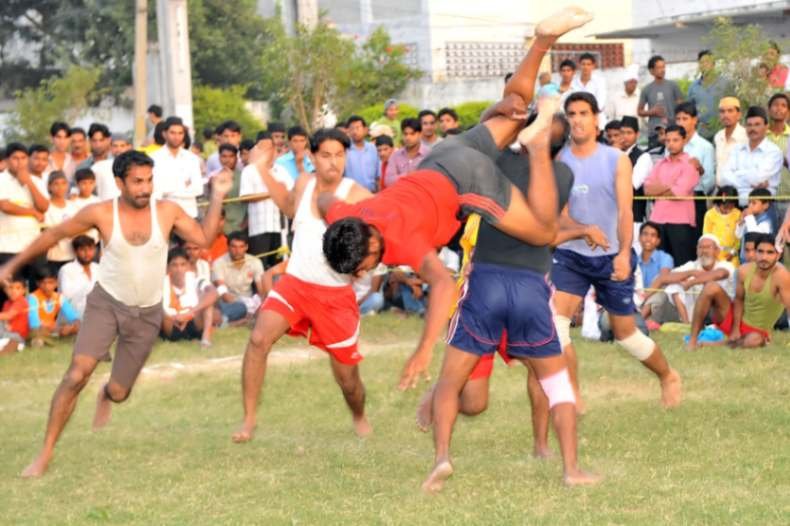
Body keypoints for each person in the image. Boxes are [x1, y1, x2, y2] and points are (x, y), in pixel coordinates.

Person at [322, 7, 596, 391]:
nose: (365, 270)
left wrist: (421, 353)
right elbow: (324, 203)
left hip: (466, 181)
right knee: (515, 106)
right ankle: (543, 39)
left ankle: (535, 146)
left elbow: (444, 286)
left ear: (369, 245)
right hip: (444, 155)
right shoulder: (350, 214)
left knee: (542, 230)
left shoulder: (400, 242)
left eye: (364, 264)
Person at [0, 149, 232, 478]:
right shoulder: (101, 213)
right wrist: (10, 265)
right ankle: (45, 453)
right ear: (120, 182)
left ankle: (106, 394)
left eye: (149, 181)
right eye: (137, 182)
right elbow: (53, 235)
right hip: (106, 305)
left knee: (120, 393)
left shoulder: (166, 212)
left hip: (147, 313)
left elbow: (205, 238)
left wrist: (219, 194)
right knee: (77, 374)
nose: (145, 188)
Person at [416, 109, 601, 493]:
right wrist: (580, 230)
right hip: (531, 286)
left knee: (451, 382)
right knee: (557, 383)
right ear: (561, 145)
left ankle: (442, 458)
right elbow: (547, 231)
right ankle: (571, 469)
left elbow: (487, 127)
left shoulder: (494, 160)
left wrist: (509, 115)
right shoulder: (562, 175)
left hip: (485, 280)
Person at [232, 127, 374, 443]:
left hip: (335, 296)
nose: (333, 162)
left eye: (340, 155)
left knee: (348, 380)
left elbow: (382, 235)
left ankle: (359, 415)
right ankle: (249, 420)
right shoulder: (304, 183)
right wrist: (261, 170)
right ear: (311, 157)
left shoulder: (357, 195)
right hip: (295, 284)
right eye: (326, 155)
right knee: (258, 339)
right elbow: (288, 206)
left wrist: (366, 263)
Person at [551, 91, 682, 412]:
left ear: (596, 118)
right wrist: (581, 230)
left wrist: (624, 254)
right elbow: (561, 213)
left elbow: (626, 212)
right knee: (556, 325)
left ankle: (667, 375)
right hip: (570, 255)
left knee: (625, 334)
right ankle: (573, 396)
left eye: (583, 113)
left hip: (612, 255)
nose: (577, 119)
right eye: (572, 114)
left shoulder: (616, 159)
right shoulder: (560, 160)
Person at [687, 234, 790, 349]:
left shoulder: (782, 276)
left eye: (770, 252)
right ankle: (692, 341)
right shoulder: (743, 271)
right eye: (760, 251)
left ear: (778, 255)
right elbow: (739, 299)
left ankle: (717, 345)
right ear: (755, 252)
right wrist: (735, 329)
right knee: (711, 287)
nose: (764, 257)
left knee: (754, 340)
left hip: (757, 332)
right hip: (735, 321)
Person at [641, 234, 734, 325]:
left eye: (708, 247)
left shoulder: (725, 265)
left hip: (719, 310)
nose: (704, 251)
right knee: (671, 284)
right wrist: (691, 273)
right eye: (700, 248)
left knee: (711, 288)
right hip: (693, 312)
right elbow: (663, 277)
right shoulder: (692, 265)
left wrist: (691, 282)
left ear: (717, 251)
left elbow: (720, 274)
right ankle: (642, 320)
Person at [643, 124, 700, 265]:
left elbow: (679, 193)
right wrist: (670, 185)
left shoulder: (691, 164)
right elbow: (647, 189)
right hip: (658, 221)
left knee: (682, 266)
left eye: (675, 140)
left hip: (681, 222)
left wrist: (661, 188)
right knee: (660, 266)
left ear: (684, 140)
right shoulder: (660, 164)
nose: (671, 144)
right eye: (668, 140)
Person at [0, 143, 49, 300]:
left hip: (33, 245)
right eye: (15, 158)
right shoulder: (1, 179)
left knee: (37, 289)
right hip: (7, 246)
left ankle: (36, 323)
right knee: (9, 292)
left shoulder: (36, 180)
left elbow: (44, 206)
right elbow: (5, 205)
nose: (19, 162)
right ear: (7, 161)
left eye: (23, 158)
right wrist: (32, 212)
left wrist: (29, 182)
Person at [240, 132, 292, 269]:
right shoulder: (249, 171)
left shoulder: (281, 171)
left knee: (281, 267)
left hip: (280, 228)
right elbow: (245, 197)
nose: (266, 152)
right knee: (259, 267)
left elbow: (291, 194)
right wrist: (272, 192)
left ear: (274, 150)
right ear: (256, 150)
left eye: (269, 148)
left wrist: (278, 192)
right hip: (259, 228)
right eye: (261, 148)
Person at [720, 106, 784, 207]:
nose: (752, 129)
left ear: (766, 126)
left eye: (757, 125)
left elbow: (757, 178)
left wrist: (736, 174)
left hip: (762, 210)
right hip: (734, 208)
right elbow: (723, 178)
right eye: (749, 125)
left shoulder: (773, 152)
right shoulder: (737, 149)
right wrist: (751, 183)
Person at [161, 247, 218, 347]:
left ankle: (206, 338)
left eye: (183, 264)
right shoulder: (161, 282)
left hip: (192, 320)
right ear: (167, 268)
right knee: (156, 307)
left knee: (208, 300)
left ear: (188, 266)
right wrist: (174, 317)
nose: (179, 269)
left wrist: (191, 312)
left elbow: (213, 292)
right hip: (171, 324)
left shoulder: (195, 279)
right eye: (174, 265)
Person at [674, 101, 715, 236]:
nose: (680, 123)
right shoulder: (671, 145)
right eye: (678, 119)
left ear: (695, 120)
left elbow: (709, 183)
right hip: (672, 201)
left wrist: (698, 172)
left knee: (693, 244)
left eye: (685, 119)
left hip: (695, 201)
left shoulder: (704, 147)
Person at [151, 116, 204, 218]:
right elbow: (155, 189)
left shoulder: (192, 159)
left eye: (180, 133)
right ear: (164, 134)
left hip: (188, 214)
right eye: (173, 133)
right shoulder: (154, 158)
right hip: (163, 216)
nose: (177, 137)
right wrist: (183, 185)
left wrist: (168, 192)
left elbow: (198, 189)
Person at [211, 231, 264, 323]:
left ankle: (244, 317)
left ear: (246, 247)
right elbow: (225, 295)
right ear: (228, 247)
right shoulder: (218, 263)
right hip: (229, 302)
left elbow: (262, 290)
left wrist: (259, 305)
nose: (237, 251)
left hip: (250, 301)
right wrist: (245, 307)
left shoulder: (255, 261)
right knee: (229, 308)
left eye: (241, 247)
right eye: (234, 246)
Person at [637, 55, 683, 148]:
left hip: (672, 132)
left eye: (663, 67)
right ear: (651, 71)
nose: (662, 70)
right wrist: (652, 112)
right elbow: (639, 111)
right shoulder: (647, 89)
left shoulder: (673, 86)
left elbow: (682, 107)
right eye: (659, 67)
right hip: (654, 134)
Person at [27, 267, 80, 346]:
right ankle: (43, 340)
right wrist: (58, 329)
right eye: (43, 283)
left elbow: (73, 317)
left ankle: (50, 339)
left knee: (78, 327)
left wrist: (72, 327)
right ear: (38, 284)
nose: (47, 286)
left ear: (56, 283)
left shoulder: (59, 297)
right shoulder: (32, 298)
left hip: (53, 329)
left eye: (50, 282)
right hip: (38, 329)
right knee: (37, 332)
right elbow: (34, 324)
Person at [687, 50, 730, 141]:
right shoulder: (693, 87)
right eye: (701, 62)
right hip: (702, 131)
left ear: (713, 64)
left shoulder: (725, 83)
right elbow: (689, 111)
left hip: (722, 130)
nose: (704, 65)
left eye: (707, 62)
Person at [43, 171, 78, 275]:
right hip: (52, 257)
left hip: (72, 256)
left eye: (63, 183)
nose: (60, 187)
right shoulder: (45, 207)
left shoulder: (73, 206)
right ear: (49, 187)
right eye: (56, 184)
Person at [57, 235, 99, 317]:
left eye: (90, 249)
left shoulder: (98, 268)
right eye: (83, 250)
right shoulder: (67, 270)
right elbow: (65, 298)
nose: (87, 253)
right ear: (76, 251)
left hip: (97, 314)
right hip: (74, 316)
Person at [383, 118, 430, 188]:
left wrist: (400, 177)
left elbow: (429, 179)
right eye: (405, 134)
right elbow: (388, 181)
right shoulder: (395, 155)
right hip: (401, 196)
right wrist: (409, 175)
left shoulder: (428, 154)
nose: (408, 137)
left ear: (420, 134)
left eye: (412, 134)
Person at [635, 221, 674, 303]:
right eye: (645, 234)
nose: (648, 238)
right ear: (639, 238)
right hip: (636, 300)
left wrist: (644, 296)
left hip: (656, 298)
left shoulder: (665, 258)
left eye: (653, 235)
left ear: (658, 241)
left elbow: (663, 278)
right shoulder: (634, 260)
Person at [713, 97, 747, 188]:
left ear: (739, 114)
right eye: (722, 111)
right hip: (720, 192)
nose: (725, 115)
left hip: (739, 192)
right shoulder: (718, 136)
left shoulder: (746, 137)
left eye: (730, 111)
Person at [766, 93, 790, 220]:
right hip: (765, 200)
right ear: (769, 110)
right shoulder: (761, 136)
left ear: (788, 111)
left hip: (787, 197)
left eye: (783, 106)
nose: (779, 108)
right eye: (775, 105)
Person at [211, 144, 245, 234]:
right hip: (219, 227)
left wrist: (245, 224)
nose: (227, 160)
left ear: (236, 158)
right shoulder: (214, 178)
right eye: (224, 156)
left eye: (231, 156)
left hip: (239, 224)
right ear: (219, 158)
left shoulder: (244, 176)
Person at [703, 186, 741, 264]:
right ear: (719, 202)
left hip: (731, 255)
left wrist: (733, 252)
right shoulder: (710, 214)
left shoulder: (737, 214)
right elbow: (706, 236)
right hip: (714, 254)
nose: (727, 210)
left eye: (731, 207)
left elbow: (739, 238)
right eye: (725, 207)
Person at [572, 52, 607, 129]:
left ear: (593, 66)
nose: (585, 67)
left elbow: (600, 103)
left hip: (596, 122)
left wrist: (585, 112)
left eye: (588, 64)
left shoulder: (599, 81)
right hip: (577, 123)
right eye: (583, 64)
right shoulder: (573, 82)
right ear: (579, 65)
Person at [345, 115, 380, 192]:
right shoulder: (345, 150)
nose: (354, 131)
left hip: (372, 194)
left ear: (365, 129)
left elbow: (378, 175)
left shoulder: (373, 148)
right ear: (348, 132)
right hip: (352, 196)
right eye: (351, 129)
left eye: (357, 128)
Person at [0, 275, 29, 355]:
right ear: (5, 290)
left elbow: (9, 315)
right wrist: (6, 324)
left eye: (18, 288)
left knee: (13, 342)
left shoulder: (21, 302)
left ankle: (6, 350)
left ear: (24, 290)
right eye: (10, 288)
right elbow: (5, 319)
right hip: (6, 333)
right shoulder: (7, 303)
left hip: (18, 336)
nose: (13, 291)